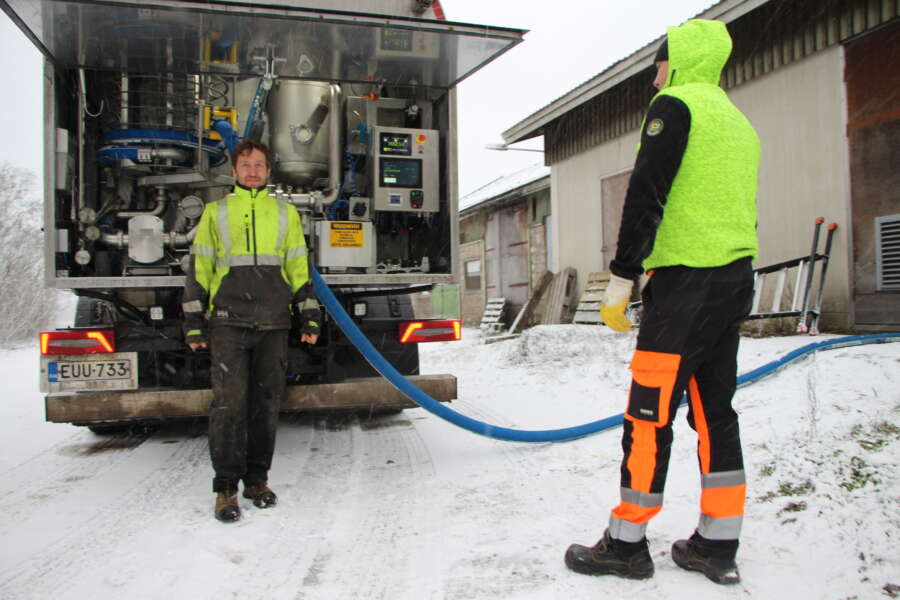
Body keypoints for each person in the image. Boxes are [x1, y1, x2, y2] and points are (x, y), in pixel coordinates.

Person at [565, 20, 760, 585]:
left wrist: (623, 274)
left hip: (684, 289)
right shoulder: (738, 121)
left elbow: (645, 192)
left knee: (648, 414)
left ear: (677, 61)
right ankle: (717, 544)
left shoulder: (675, 107)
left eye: (658, 64)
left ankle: (625, 545)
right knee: (714, 412)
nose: (654, 76)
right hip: (733, 281)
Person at [182, 140, 321, 522]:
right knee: (229, 407)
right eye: (246, 165)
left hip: (274, 323)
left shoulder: (285, 214)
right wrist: (194, 323)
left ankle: (257, 481)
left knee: (265, 407)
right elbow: (199, 272)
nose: (253, 171)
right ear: (235, 171)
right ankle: (225, 489)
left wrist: (309, 316)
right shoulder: (217, 212)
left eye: (259, 165)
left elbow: (298, 268)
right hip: (228, 321)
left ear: (269, 171)